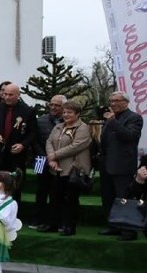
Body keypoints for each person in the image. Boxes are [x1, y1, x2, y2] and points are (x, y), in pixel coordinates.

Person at [99, 92, 144, 240]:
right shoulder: (110, 119)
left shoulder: (134, 118)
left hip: (123, 166)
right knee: (107, 197)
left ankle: (128, 231)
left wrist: (112, 122)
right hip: (106, 164)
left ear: (126, 102)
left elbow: (129, 136)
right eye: (111, 100)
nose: (112, 104)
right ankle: (113, 226)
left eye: (116, 100)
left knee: (124, 198)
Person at [43, 102, 92, 236]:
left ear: (77, 114)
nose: (66, 115)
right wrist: (51, 158)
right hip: (56, 168)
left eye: (69, 112)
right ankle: (53, 224)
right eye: (64, 112)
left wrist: (55, 155)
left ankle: (69, 226)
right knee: (54, 198)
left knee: (71, 200)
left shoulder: (83, 128)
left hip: (72, 169)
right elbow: (49, 141)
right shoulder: (58, 126)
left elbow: (76, 146)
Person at [0, 83, 37, 203]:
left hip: (16, 155)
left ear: (18, 95)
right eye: (5, 94)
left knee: (15, 185)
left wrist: (23, 145)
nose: (7, 97)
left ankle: (13, 213)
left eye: (10, 95)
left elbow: (32, 133)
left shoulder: (27, 111)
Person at [30, 95, 66, 230]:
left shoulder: (68, 121)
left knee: (57, 190)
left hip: (60, 160)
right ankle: (37, 218)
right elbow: (35, 141)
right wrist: (44, 155)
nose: (54, 107)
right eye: (52, 104)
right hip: (40, 159)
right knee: (41, 190)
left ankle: (56, 219)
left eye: (57, 105)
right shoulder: (41, 121)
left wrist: (55, 157)